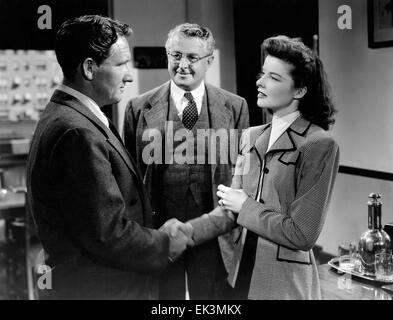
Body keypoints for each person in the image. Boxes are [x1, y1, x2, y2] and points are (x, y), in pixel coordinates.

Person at [26, 15, 190, 300]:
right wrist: (165, 244)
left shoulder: (71, 116)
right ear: (89, 68)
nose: (128, 74)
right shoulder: (76, 131)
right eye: (121, 64)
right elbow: (107, 234)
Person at [170, 35, 340, 299]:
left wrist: (244, 206)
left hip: (282, 285)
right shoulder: (250, 136)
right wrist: (186, 232)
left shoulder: (319, 144)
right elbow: (229, 212)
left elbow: (302, 234)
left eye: (274, 77)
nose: (260, 82)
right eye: (263, 74)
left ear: (300, 90)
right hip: (238, 277)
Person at [123, 23, 249, 299]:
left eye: (192, 58)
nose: (182, 65)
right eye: (175, 55)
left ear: (209, 61)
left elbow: (241, 178)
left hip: (214, 235)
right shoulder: (138, 108)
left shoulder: (235, 107)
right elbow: (131, 182)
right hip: (159, 235)